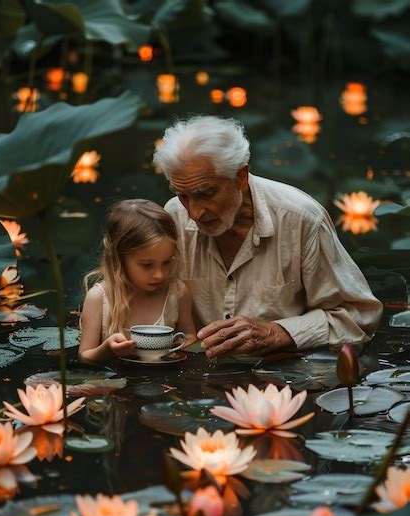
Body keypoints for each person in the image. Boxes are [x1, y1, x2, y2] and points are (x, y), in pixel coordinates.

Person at [153, 116, 383, 359]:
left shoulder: (301, 219)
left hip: (286, 377)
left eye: (205, 193)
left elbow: (358, 316)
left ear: (241, 177)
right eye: (182, 195)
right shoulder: (174, 216)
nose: (194, 212)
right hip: (198, 377)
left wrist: (276, 332)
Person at [78, 199, 197, 364]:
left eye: (167, 262)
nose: (159, 275)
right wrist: (107, 350)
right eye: (147, 265)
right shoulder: (99, 298)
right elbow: (85, 356)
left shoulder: (177, 292)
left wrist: (174, 347)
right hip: (112, 384)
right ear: (119, 257)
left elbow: (190, 336)